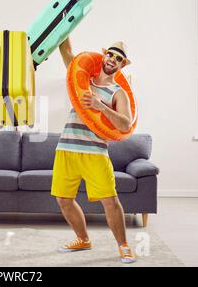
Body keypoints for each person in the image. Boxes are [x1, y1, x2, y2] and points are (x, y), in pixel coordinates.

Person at [52, 38, 136, 264]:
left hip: (95, 152)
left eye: (119, 58)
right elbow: (66, 50)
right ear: (104, 55)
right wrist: (66, 20)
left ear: (123, 65)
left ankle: (124, 246)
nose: (113, 60)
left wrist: (101, 106)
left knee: (110, 200)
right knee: (63, 199)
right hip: (67, 148)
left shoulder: (118, 93)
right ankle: (83, 239)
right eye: (111, 54)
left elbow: (125, 124)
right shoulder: (83, 79)